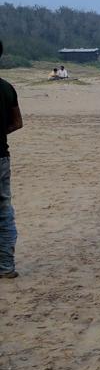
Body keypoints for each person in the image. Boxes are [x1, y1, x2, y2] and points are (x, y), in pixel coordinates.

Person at [1, 40, 24, 279]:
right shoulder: (7, 88)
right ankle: (6, 267)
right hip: (1, 158)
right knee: (4, 212)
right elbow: (17, 123)